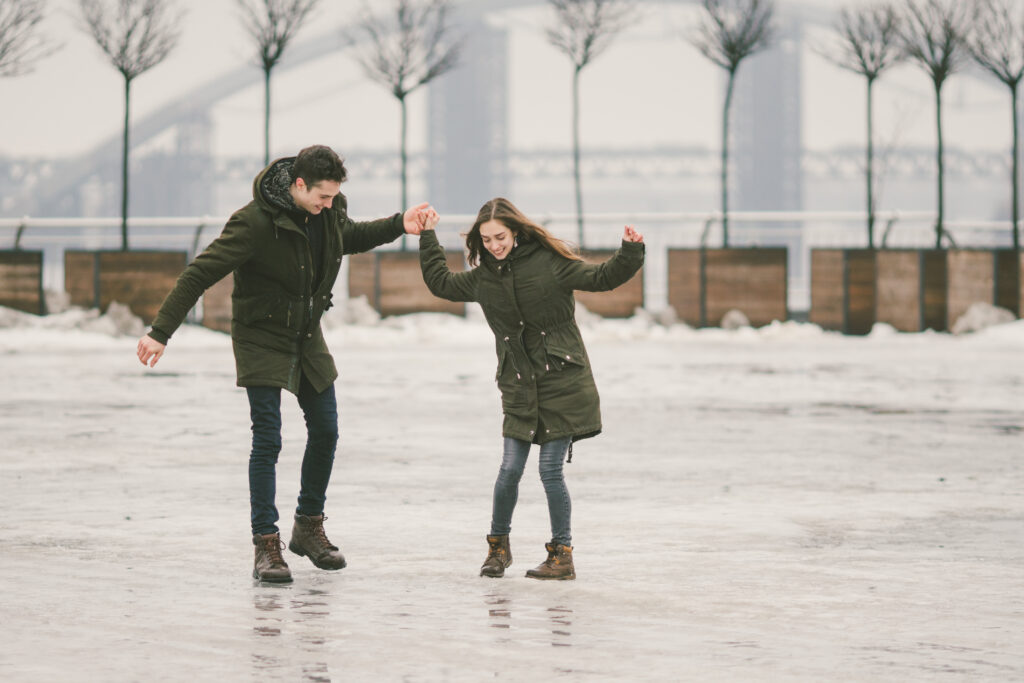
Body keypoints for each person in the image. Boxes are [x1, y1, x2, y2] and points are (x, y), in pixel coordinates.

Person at [136, 145, 430, 583]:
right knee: (268, 437)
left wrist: (398, 225)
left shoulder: (327, 214)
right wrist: (160, 332)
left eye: (333, 197)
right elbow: (199, 273)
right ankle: (266, 544)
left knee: (327, 428)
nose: (329, 205)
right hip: (261, 336)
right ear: (298, 184)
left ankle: (308, 527)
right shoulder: (254, 222)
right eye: (322, 197)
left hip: (305, 335)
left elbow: (349, 237)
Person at [418, 197, 644, 580]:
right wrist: (427, 236)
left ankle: (562, 555)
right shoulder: (483, 278)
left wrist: (630, 251)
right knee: (508, 470)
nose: (493, 245)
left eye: (500, 237)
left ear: (516, 232)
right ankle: (497, 550)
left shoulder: (550, 263)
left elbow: (601, 277)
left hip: (562, 382)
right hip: (519, 385)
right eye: (486, 239)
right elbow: (441, 283)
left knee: (550, 471)